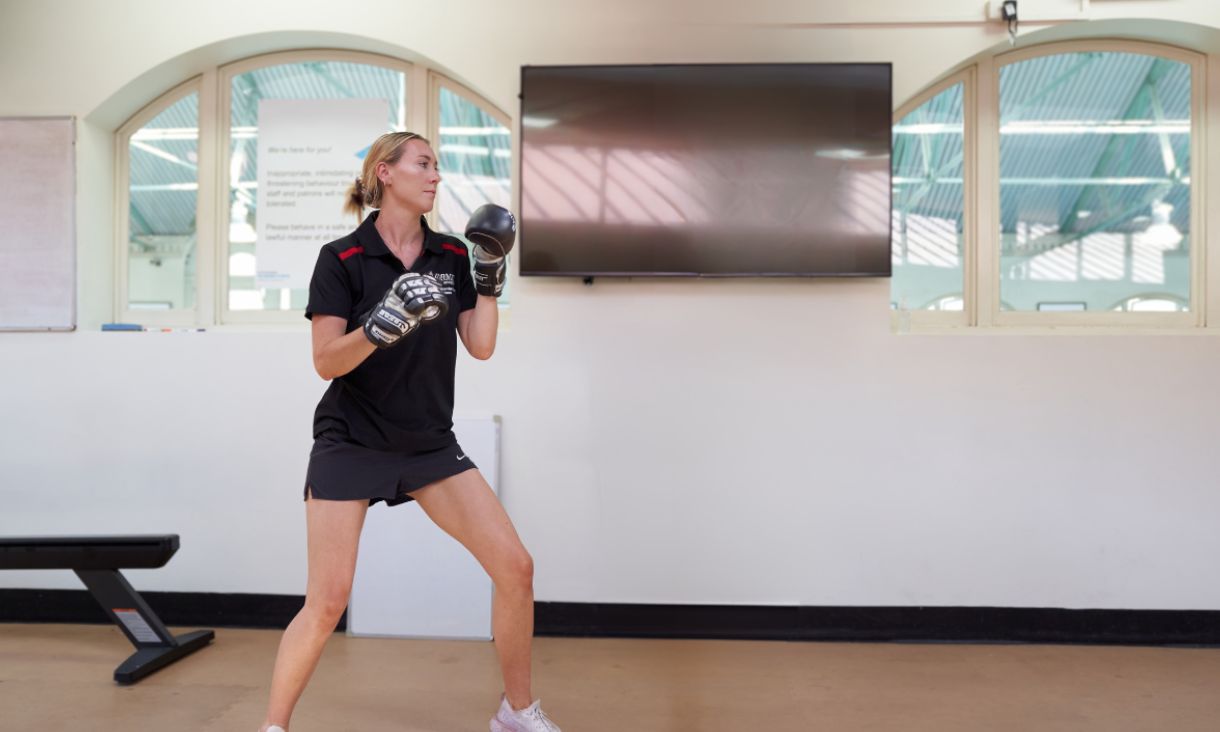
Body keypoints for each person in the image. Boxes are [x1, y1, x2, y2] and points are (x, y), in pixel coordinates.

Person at [258, 131, 561, 732]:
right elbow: (326, 361)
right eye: (423, 164)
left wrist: (490, 276)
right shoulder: (342, 258)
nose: (436, 176)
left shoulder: (451, 255)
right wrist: (380, 326)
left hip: (427, 444)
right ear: (385, 172)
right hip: (351, 441)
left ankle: (515, 711)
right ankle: (274, 726)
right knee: (326, 601)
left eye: (437, 167)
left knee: (515, 568)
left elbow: (480, 345)